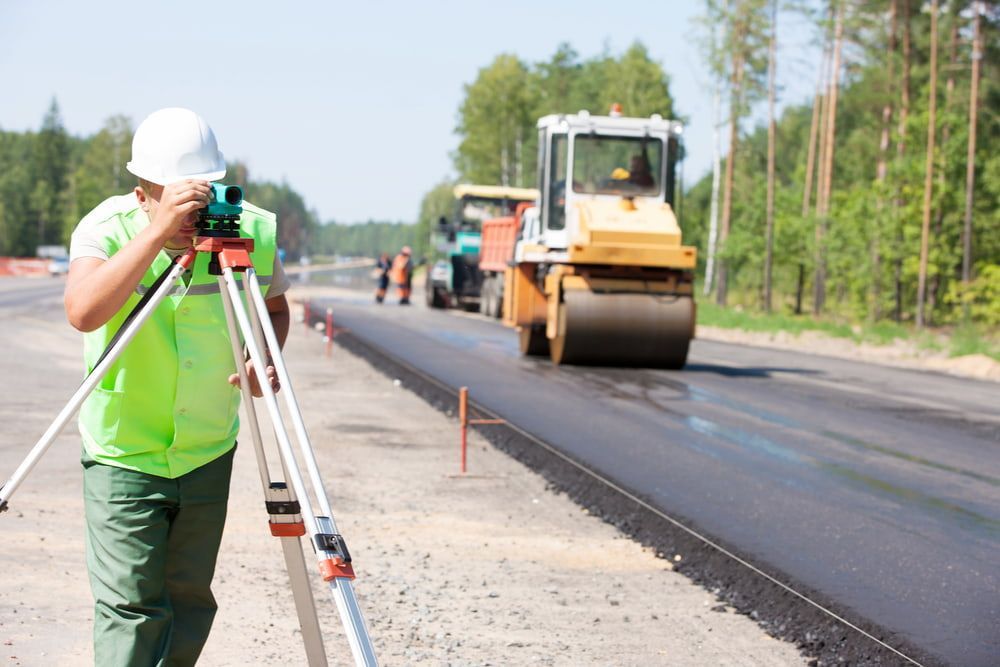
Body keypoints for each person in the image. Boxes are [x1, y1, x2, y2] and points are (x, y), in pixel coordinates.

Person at [64, 107, 291, 666]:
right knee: (131, 607)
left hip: (207, 445)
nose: (196, 210)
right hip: (125, 449)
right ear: (143, 190)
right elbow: (83, 312)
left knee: (189, 600)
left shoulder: (249, 231)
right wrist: (159, 233)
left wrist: (264, 356)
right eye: (178, 196)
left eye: (203, 193)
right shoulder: (106, 227)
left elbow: (276, 308)